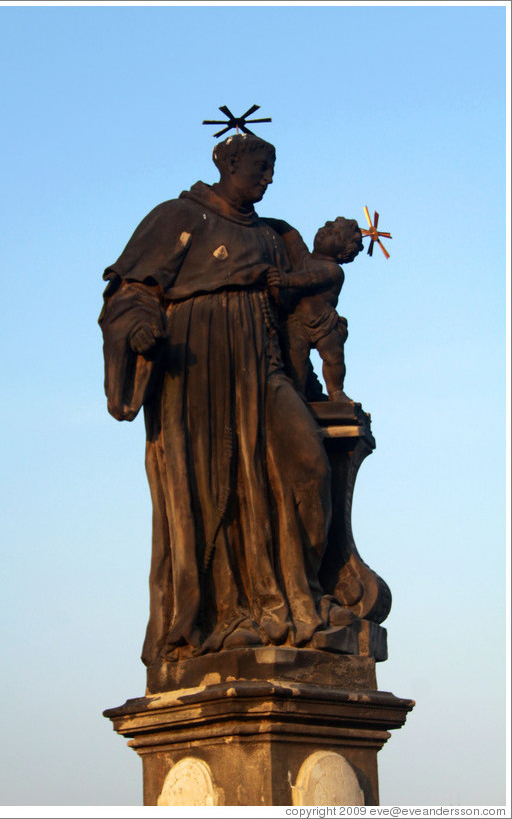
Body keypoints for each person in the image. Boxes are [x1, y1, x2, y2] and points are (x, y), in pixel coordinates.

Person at [99, 134, 355, 668]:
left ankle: (299, 595)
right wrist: (143, 326)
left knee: (308, 465)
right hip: (197, 373)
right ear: (229, 162)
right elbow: (129, 294)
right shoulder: (178, 217)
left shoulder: (276, 235)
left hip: (264, 365)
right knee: (215, 486)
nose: (269, 178)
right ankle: (225, 615)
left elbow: (311, 299)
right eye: (261, 166)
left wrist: (334, 266)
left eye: (273, 168)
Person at [269, 217, 363, 401]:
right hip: (297, 320)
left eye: (334, 234)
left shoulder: (333, 270)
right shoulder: (303, 257)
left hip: (325, 322)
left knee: (333, 357)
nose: (324, 232)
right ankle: (298, 393)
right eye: (327, 227)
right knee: (296, 358)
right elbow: (288, 231)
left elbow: (310, 278)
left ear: (345, 251)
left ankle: (336, 391)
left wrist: (286, 281)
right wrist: (259, 221)